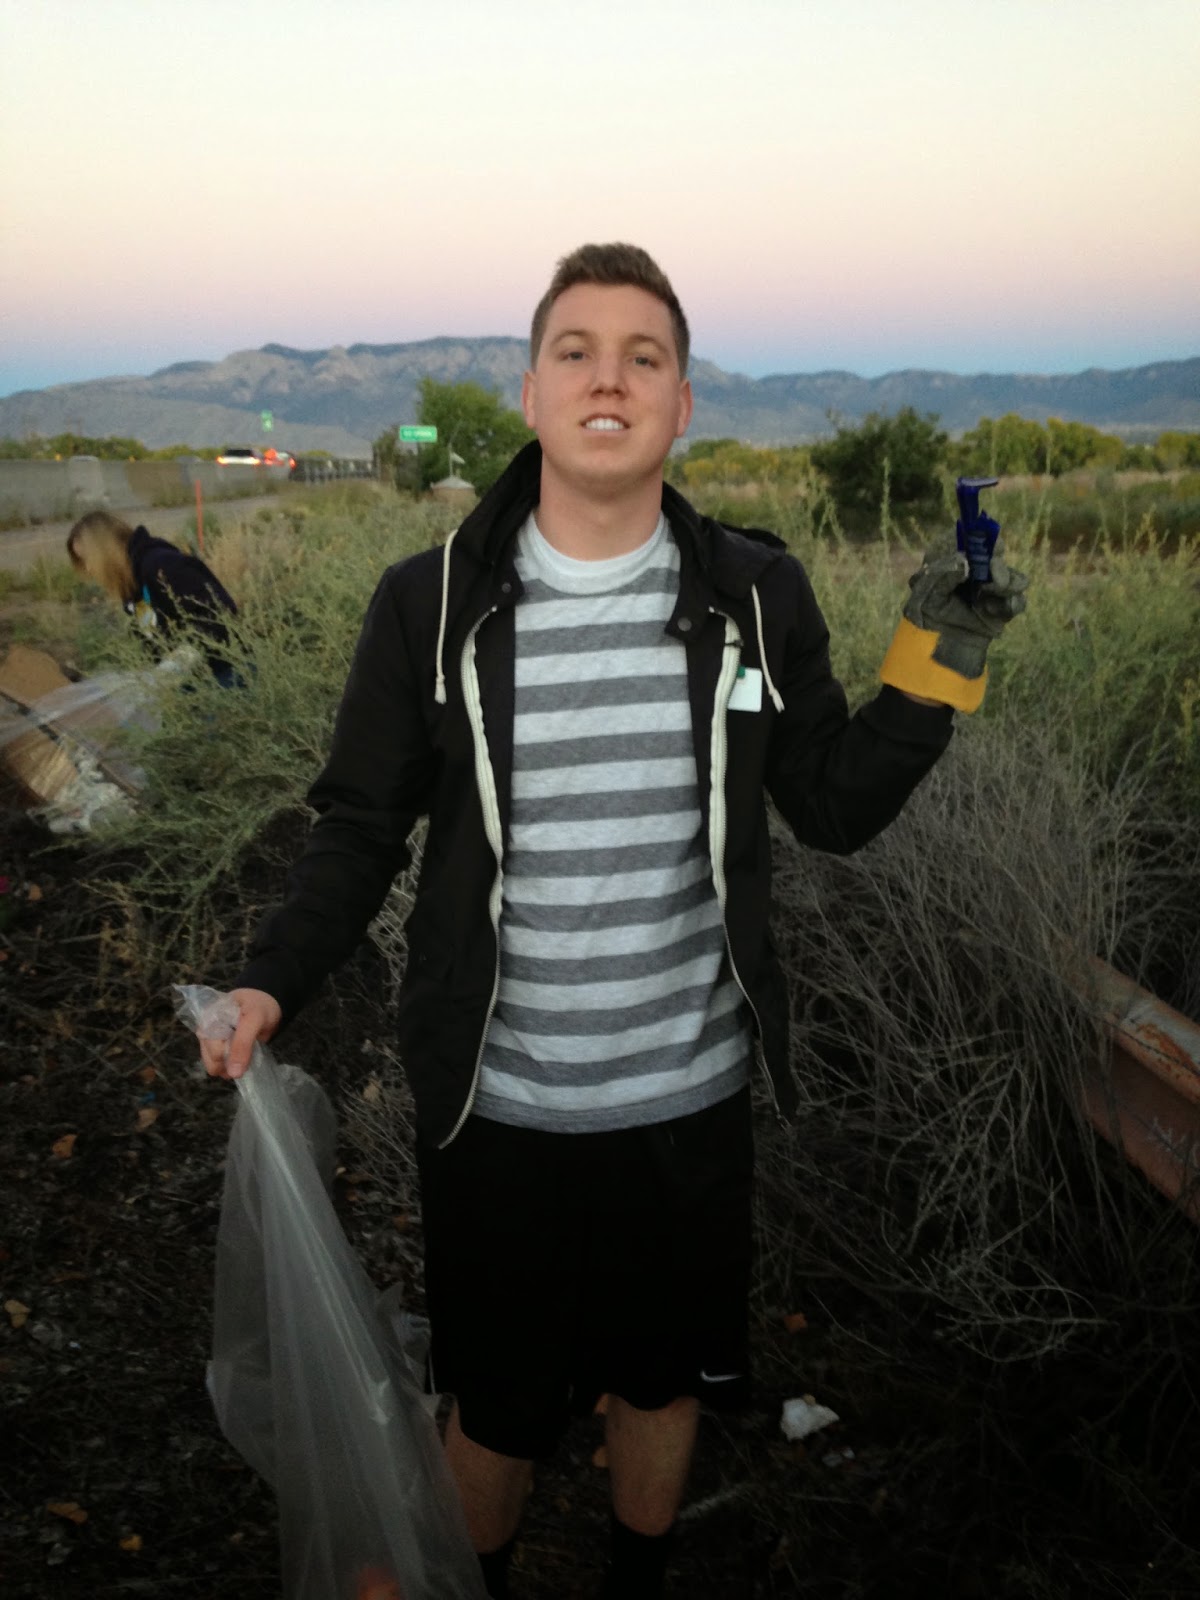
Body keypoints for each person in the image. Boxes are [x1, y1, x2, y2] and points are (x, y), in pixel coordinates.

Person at [198, 243, 1026, 1597]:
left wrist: (942, 660)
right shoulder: (431, 604)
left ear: (681, 405)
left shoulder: (754, 594)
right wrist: (270, 982)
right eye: (576, 352)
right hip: (497, 1110)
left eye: (645, 357)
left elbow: (831, 802)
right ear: (531, 394)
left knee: (662, 1384)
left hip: (688, 1106)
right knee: (499, 1408)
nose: (609, 379)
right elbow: (357, 828)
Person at [66, 509, 241, 686]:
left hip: (226, 673)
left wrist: (180, 661)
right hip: (191, 682)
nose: (88, 569)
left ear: (105, 550)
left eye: (86, 559)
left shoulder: (162, 565)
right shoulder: (131, 585)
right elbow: (152, 638)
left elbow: (217, 616)